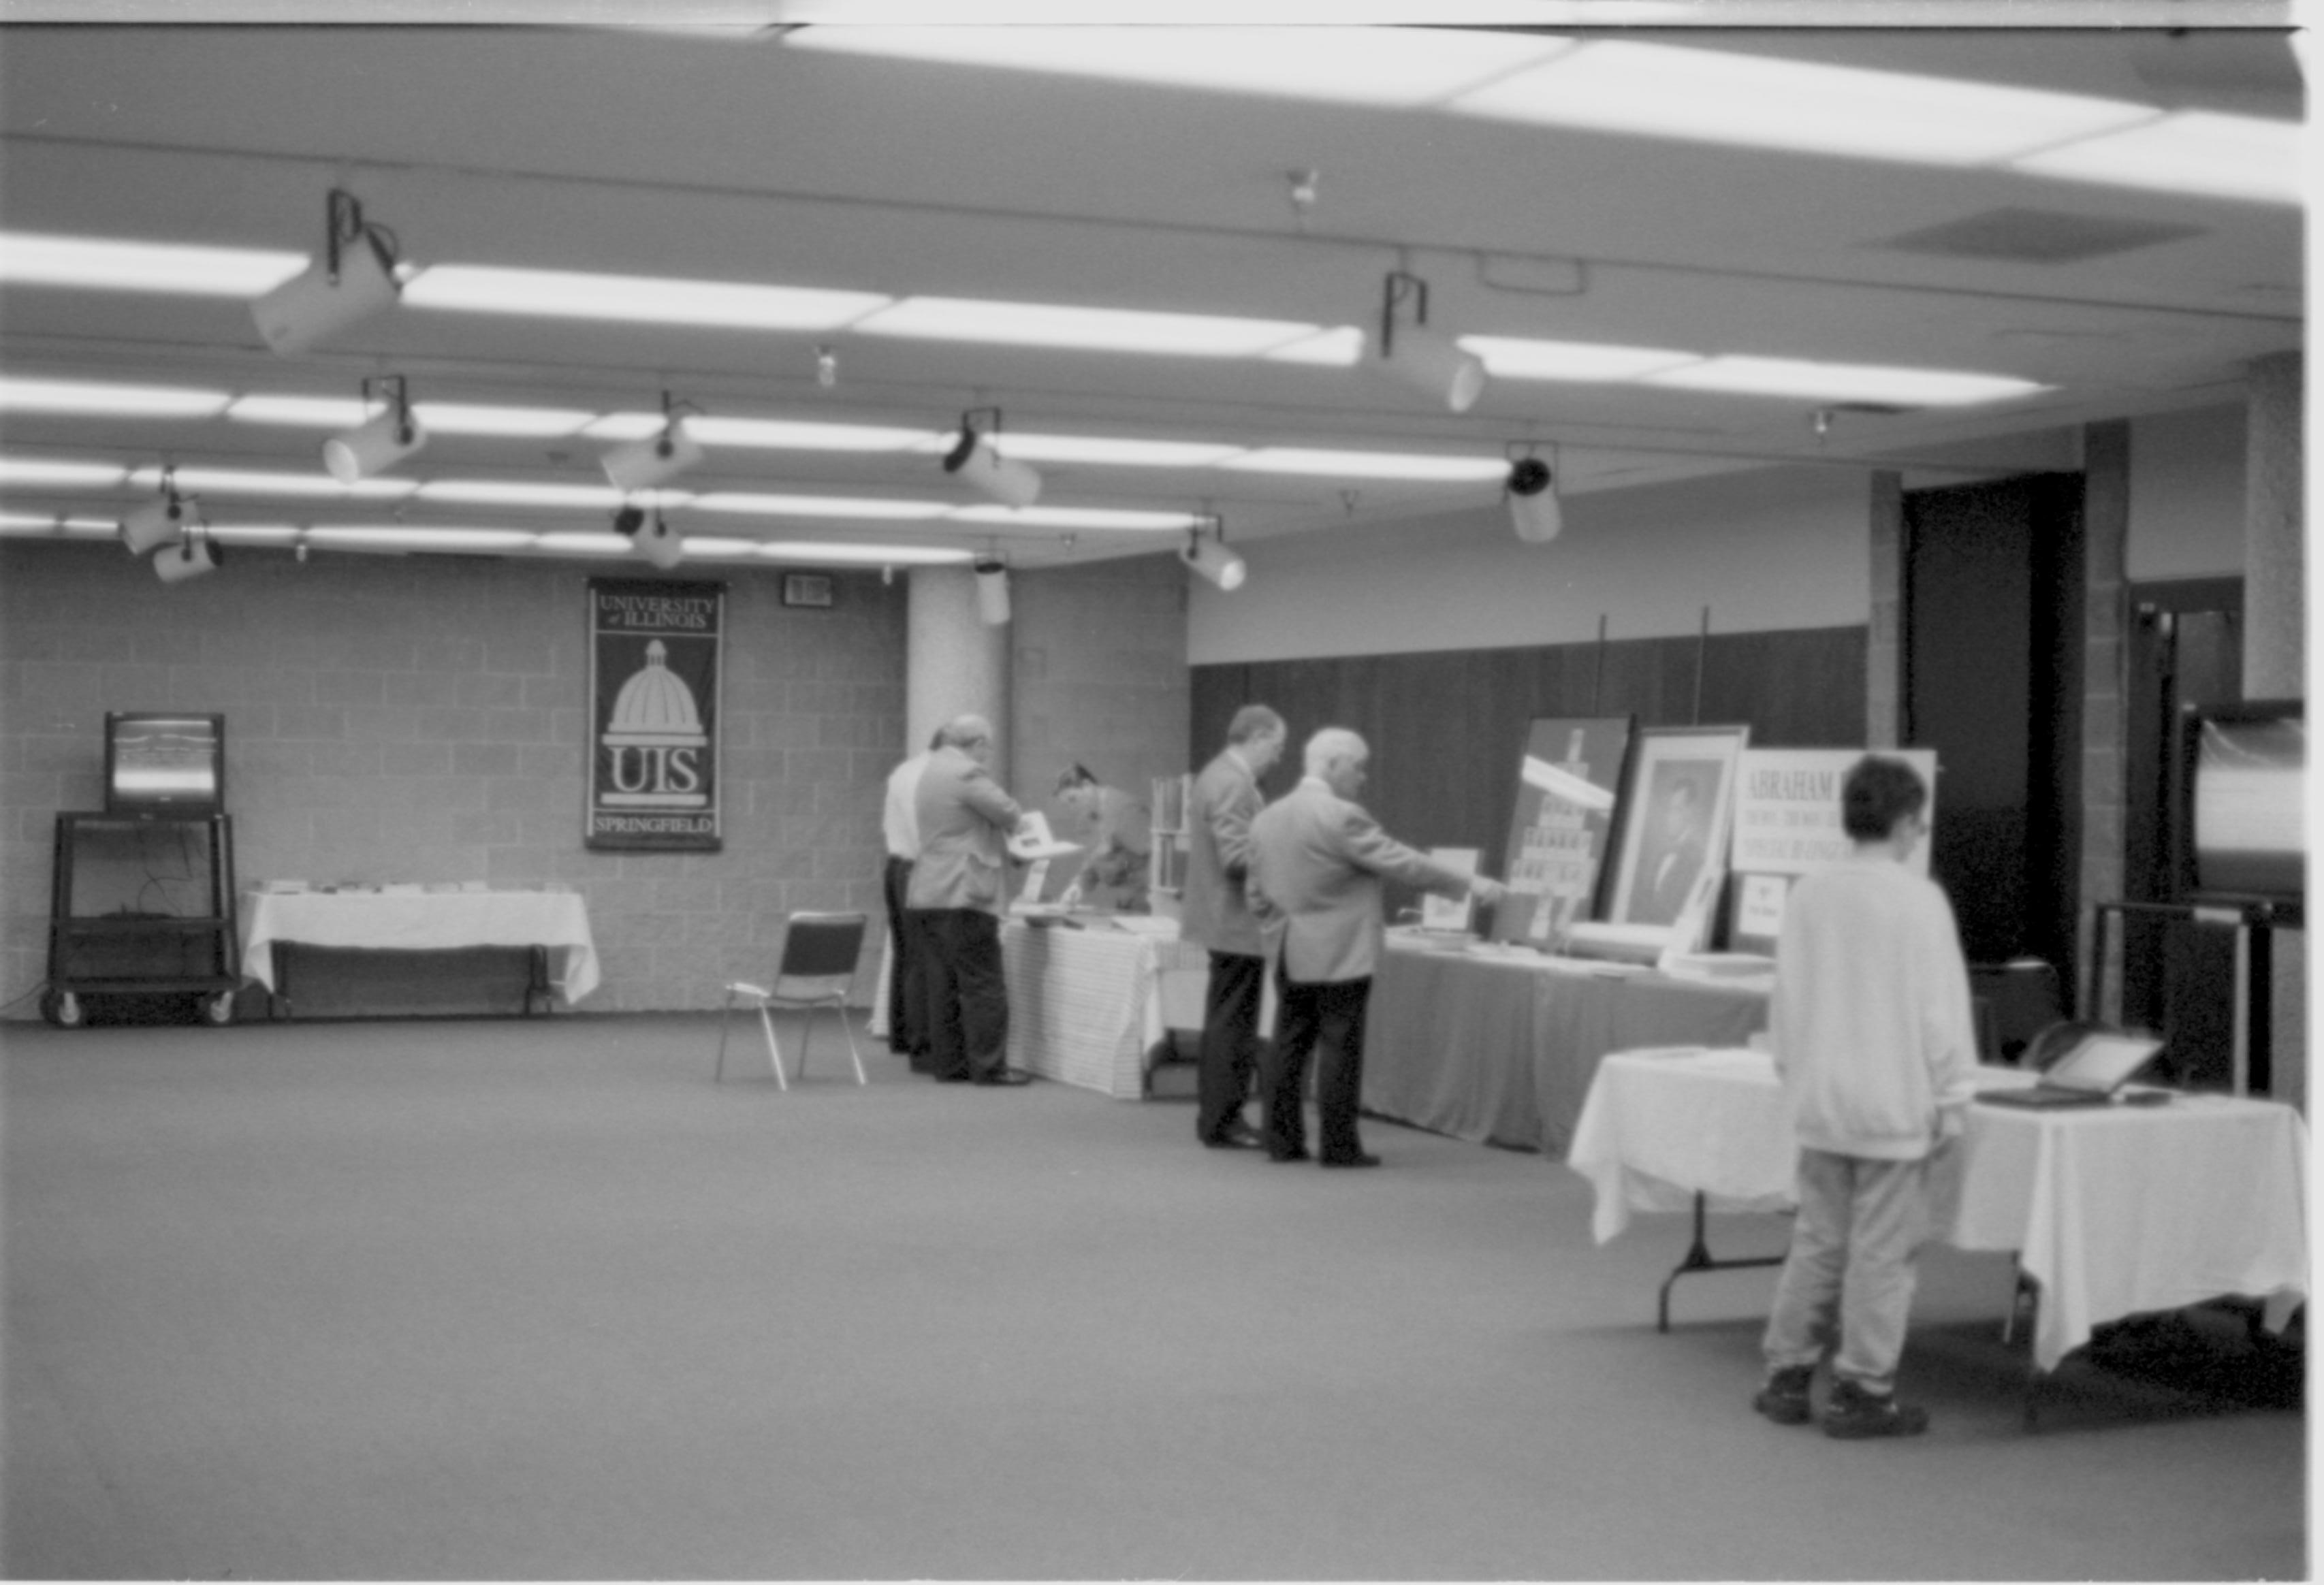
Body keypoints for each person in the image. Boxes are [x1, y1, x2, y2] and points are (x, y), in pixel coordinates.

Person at [1753, 754, 1977, 1439]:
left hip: (1820, 1100)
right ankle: (1861, 1389)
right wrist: (1954, 1095)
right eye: (1919, 823)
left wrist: (1793, 1074)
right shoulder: (1917, 899)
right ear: (1907, 821)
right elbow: (1938, 1010)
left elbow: (1785, 998)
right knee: (1882, 1253)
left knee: (1816, 1240)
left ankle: (1786, 1377)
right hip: (1892, 1105)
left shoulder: (1808, 892)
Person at [1247, 728, 1506, 1168]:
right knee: (1338, 1049)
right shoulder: (1341, 816)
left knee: (1288, 1045)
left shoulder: (1266, 817)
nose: (1363, 777)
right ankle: (1339, 1146)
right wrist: (1469, 882)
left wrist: (1278, 928)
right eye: (1358, 767)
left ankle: (1282, 1140)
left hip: (1290, 947)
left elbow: (1255, 892)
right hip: (1342, 951)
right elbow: (1401, 861)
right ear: (1330, 765)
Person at [1179, 704, 1288, 1150]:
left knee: (1228, 1021)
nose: (1279, 758)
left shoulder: (1218, 774)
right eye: (1277, 747)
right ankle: (1223, 1120)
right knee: (1233, 1026)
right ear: (1257, 737)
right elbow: (1237, 858)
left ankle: (1220, 1116)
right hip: (1235, 920)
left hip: (1226, 918)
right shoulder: (1232, 781)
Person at [908, 714, 1034, 1087]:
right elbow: (1009, 812)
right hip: (964, 889)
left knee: (943, 981)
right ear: (977, 744)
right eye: (988, 748)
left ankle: (950, 1065)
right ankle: (990, 1066)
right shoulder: (966, 773)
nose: (988, 755)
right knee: (982, 981)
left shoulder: (930, 770)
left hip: (929, 888)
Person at [880, 729, 943, 1074]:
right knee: (922, 958)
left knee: (905, 954)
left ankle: (903, 1033)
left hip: (896, 866)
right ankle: (923, 1045)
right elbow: (924, 832)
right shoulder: (926, 775)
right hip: (918, 867)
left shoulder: (905, 769)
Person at [1054, 764, 1150, 911]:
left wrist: (1117, 861)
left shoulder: (1126, 809)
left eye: (1073, 800)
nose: (1073, 809)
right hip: (1125, 897)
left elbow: (1149, 858)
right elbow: (1096, 858)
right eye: (1068, 805)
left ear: (1087, 786)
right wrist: (1079, 885)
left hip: (1144, 897)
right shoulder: (1093, 815)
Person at [1629, 771, 1711, 926]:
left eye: (1677, 810)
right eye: (1669, 809)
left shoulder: (1697, 858)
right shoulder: (1662, 855)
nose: (1670, 817)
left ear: (1690, 812)